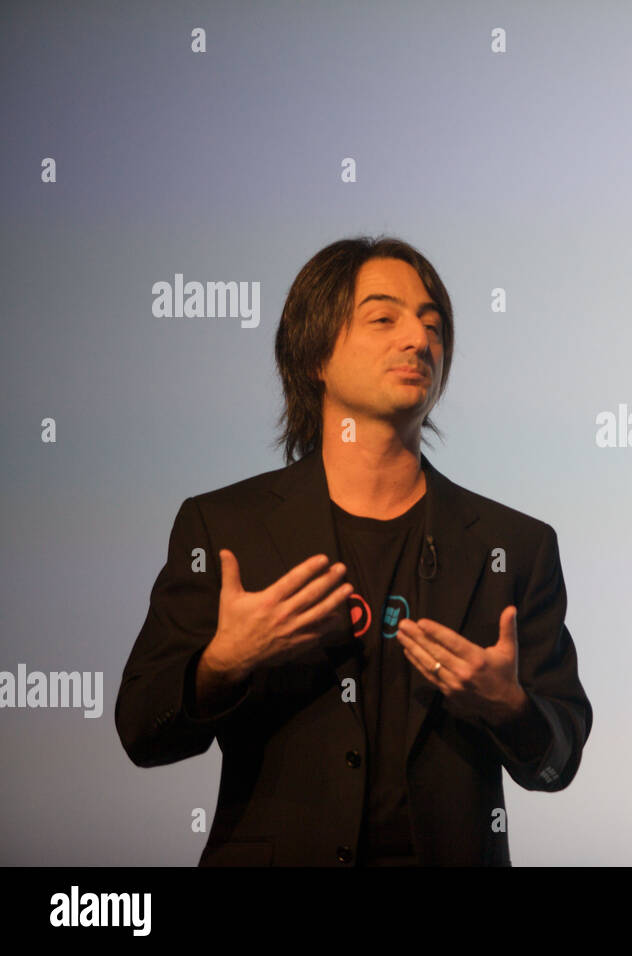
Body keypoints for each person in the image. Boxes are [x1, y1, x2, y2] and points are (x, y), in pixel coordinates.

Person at [114, 236, 592, 866]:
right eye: (383, 318)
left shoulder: (515, 546)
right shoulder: (225, 528)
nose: (418, 340)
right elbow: (143, 731)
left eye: (432, 323)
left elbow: (557, 766)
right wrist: (222, 666)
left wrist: (511, 709)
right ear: (315, 352)